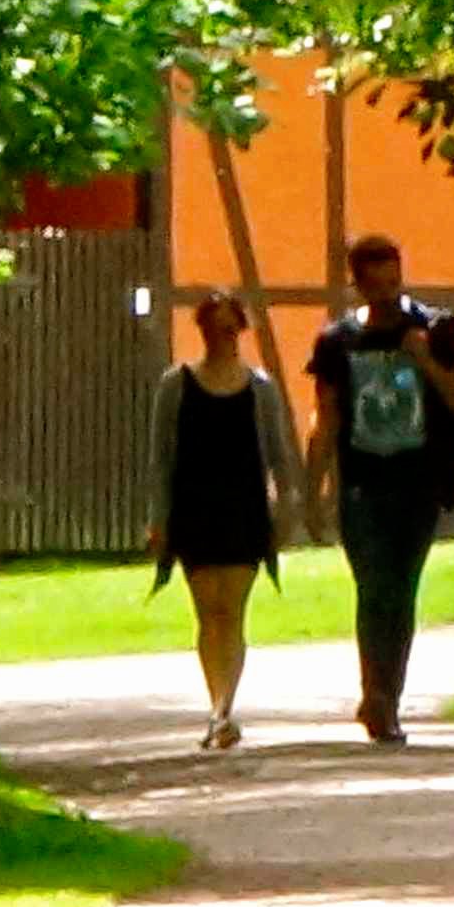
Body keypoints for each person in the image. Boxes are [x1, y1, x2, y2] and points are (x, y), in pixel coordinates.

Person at [304, 232, 454, 744]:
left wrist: (426, 360)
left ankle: (387, 699)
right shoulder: (337, 342)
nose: (386, 293)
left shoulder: (438, 330)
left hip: (419, 482)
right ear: (357, 284)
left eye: (393, 281)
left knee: (401, 590)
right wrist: (311, 492)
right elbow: (326, 418)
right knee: (373, 587)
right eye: (375, 284)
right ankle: (375, 694)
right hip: (362, 484)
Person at [144, 289, 309, 750]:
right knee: (207, 612)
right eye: (216, 329)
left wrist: (287, 507)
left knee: (232, 612)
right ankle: (217, 705)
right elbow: (160, 460)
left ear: (240, 330)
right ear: (203, 331)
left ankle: (223, 710)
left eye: (231, 329)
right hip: (193, 511)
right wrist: (158, 519)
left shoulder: (260, 388)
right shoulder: (176, 385)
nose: (224, 338)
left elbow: (279, 455)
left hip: (244, 511)